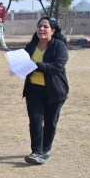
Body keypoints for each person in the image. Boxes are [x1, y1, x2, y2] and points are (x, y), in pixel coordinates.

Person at [23, 17, 69, 165]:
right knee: (35, 120)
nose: (41, 29)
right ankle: (36, 152)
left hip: (54, 91)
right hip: (33, 89)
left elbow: (56, 67)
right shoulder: (31, 46)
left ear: (53, 30)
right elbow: (23, 64)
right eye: (39, 26)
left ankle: (45, 149)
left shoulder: (59, 46)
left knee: (51, 122)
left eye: (45, 26)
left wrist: (36, 65)